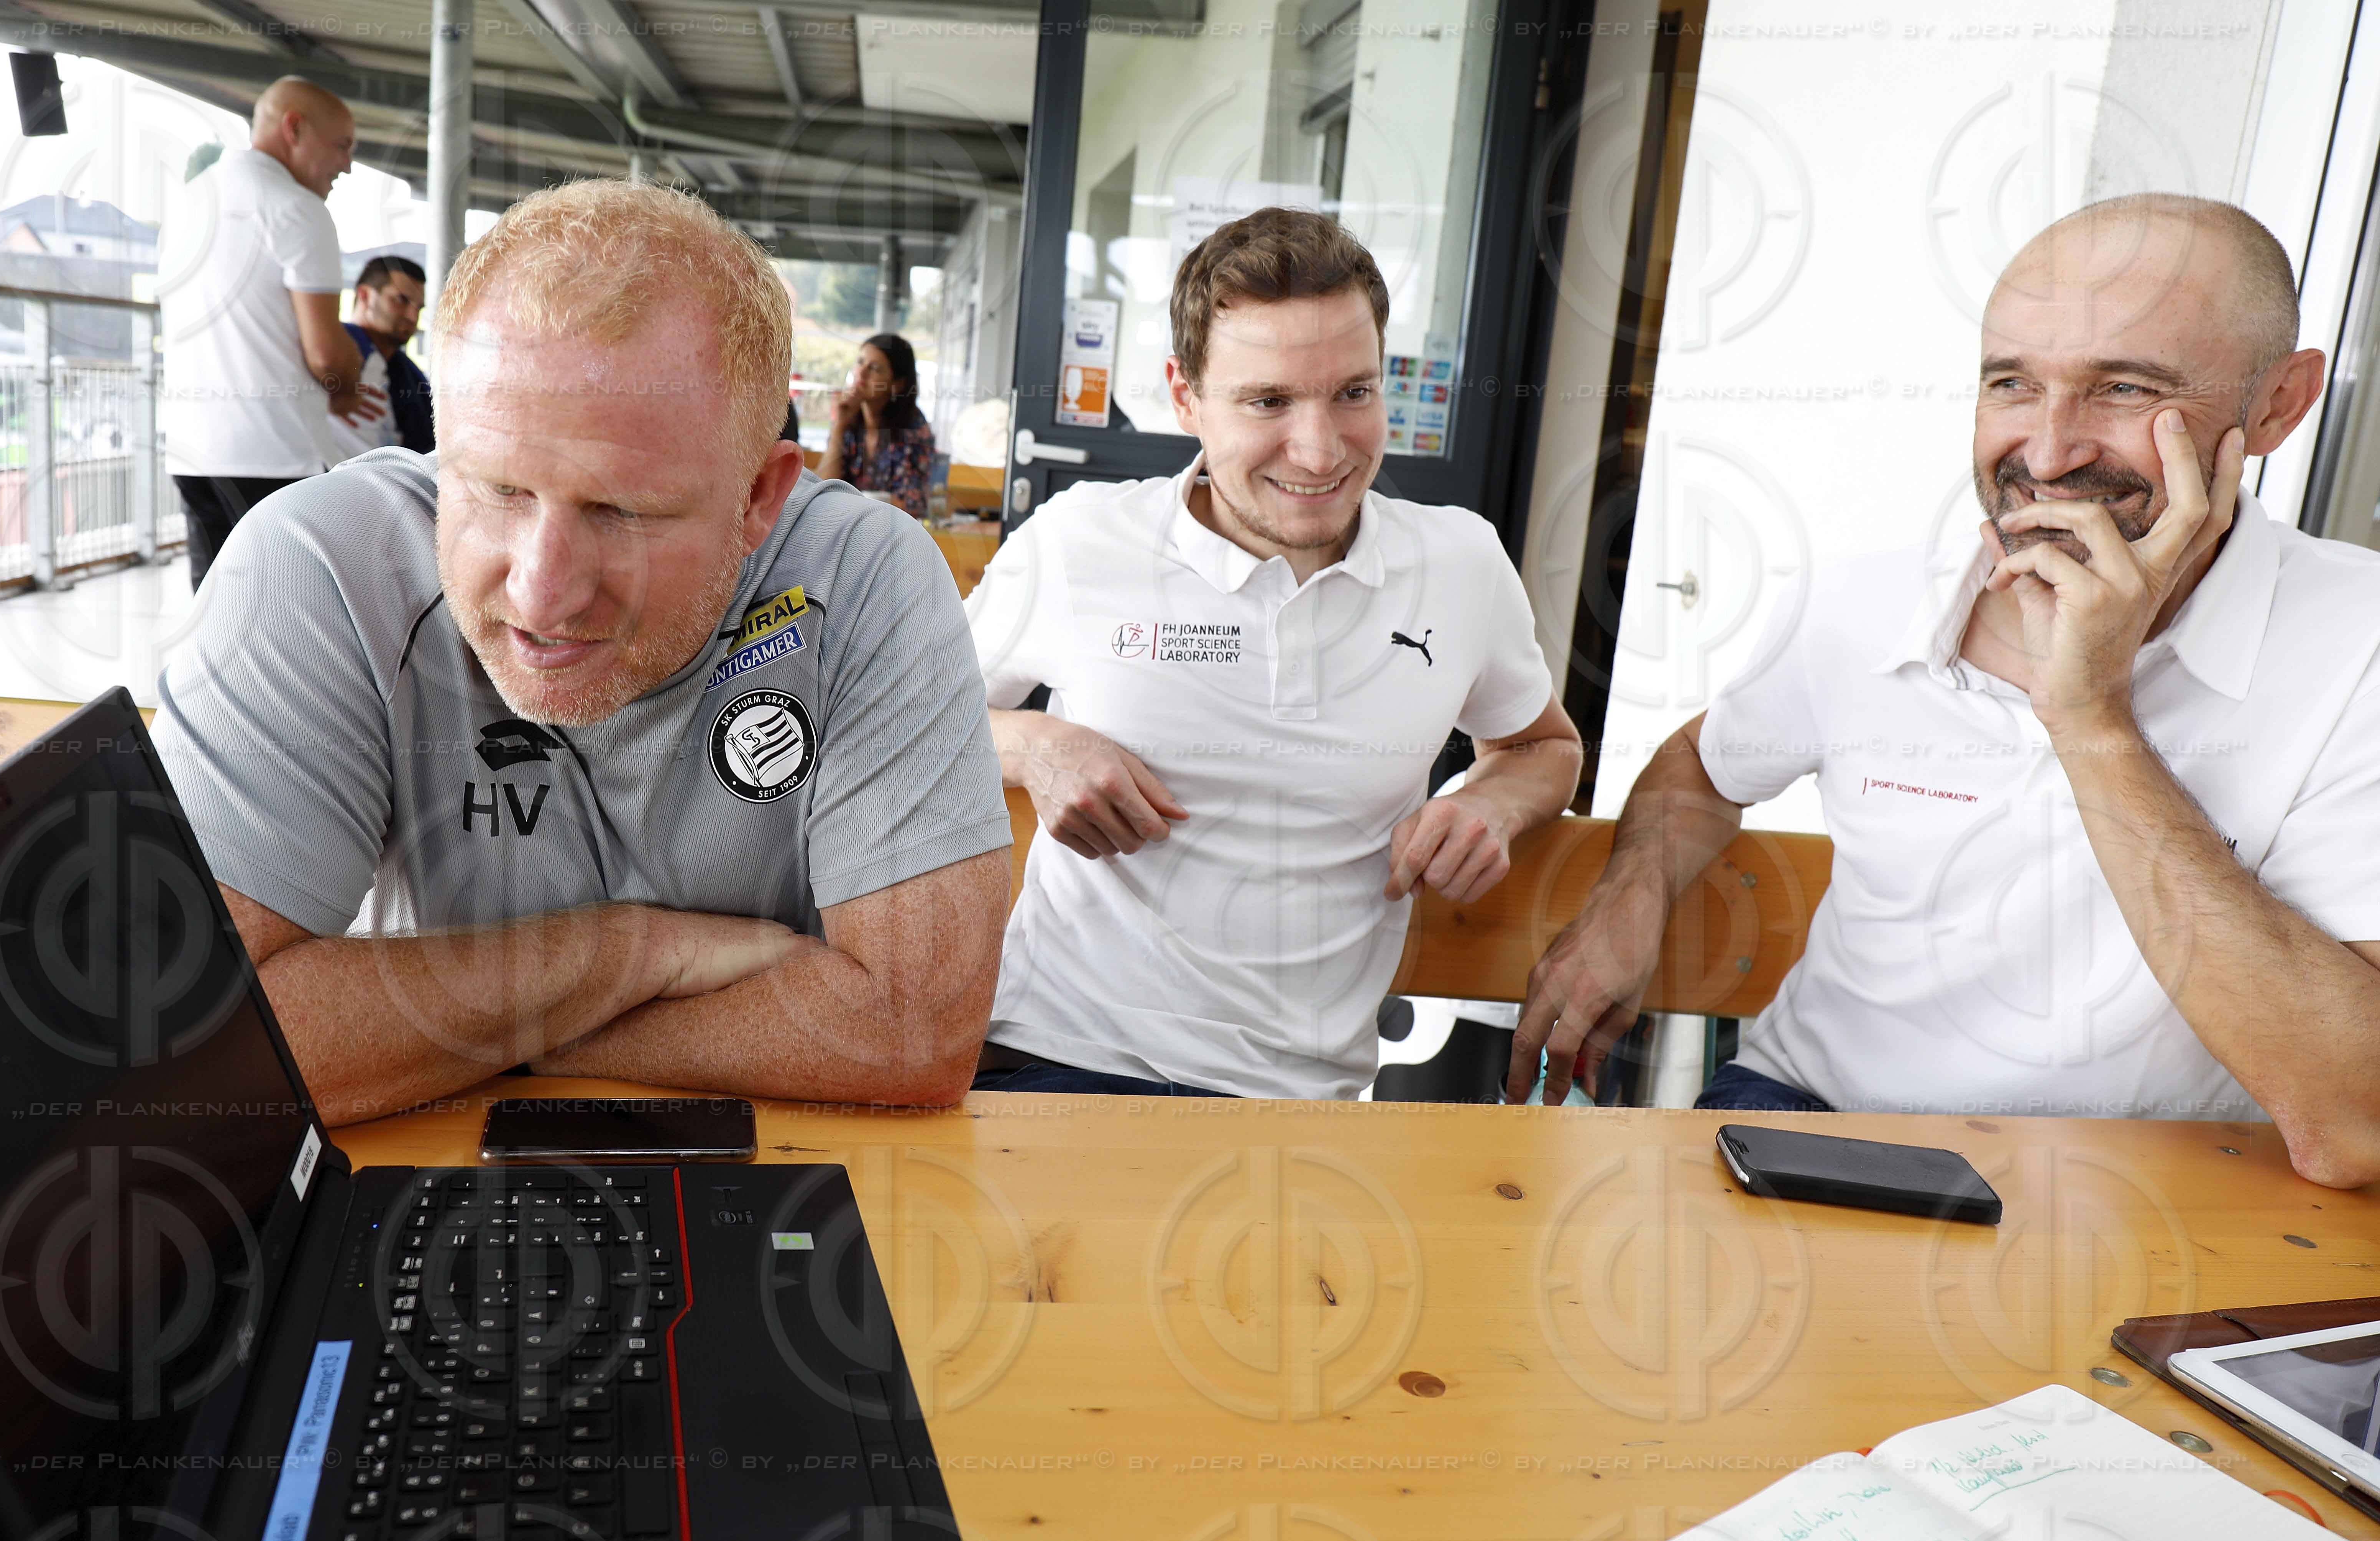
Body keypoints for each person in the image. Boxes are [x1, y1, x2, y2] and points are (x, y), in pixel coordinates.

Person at [1519, 193, 2380, 1187]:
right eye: (2013, 385)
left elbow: (2351, 1125)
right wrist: (1625, 905)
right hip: (1810, 1125)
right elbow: (1705, 770)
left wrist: (2091, 716)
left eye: (2124, 389)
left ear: (2276, 404)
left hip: (2159, 1190)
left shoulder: (2356, 647)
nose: (2049, 452)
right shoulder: (1864, 600)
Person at [150, 181, 1012, 1126]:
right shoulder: (316, 567)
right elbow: (200, 1049)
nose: (540, 591)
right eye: (495, 489)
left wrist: (438, 1026)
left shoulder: (863, 578)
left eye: (624, 511)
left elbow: (913, 1032)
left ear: (760, 499)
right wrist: (629, 955)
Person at [963, 207, 1582, 1099]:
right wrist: (1039, 747)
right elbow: (904, 727)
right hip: (1064, 1062)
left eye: (1354, 393)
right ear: (1185, 398)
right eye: (1268, 401)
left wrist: (1493, 804)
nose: (1322, 448)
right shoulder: (1078, 540)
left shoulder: (1461, 563)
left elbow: (1543, 748)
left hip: (1301, 1105)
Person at [158, 76, 366, 589]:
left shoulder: (189, 205)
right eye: (342, 146)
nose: (347, 165)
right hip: (275, 456)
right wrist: (348, 386)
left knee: (215, 609)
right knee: (286, 618)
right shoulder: (297, 209)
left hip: (193, 450)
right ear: (294, 128)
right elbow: (327, 357)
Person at [815, 332, 935, 519]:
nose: (862, 373)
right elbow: (824, 488)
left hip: (893, 533)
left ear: (898, 385)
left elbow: (912, 505)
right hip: (846, 524)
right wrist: (839, 425)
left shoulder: (915, 431)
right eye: (860, 362)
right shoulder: (850, 417)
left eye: (876, 368)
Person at [329, 254, 434, 457]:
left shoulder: (408, 371)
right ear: (366, 296)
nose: (413, 317)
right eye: (401, 300)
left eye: (419, 308)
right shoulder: (331, 353)